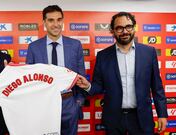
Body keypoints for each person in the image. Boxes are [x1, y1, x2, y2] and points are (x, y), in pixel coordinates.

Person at [76, 12, 168, 135]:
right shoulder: (103, 56)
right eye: (119, 28)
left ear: (134, 27)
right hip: (114, 118)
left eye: (128, 26)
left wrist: (162, 114)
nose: (124, 31)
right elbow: (98, 86)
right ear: (113, 31)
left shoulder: (149, 53)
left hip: (141, 118)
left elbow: (157, 88)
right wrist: (88, 86)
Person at [26, 5, 86, 135]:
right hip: (43, 104)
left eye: (59, 20)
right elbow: (28, 80)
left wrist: (78, 103)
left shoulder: (75, 45)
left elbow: (82, 76)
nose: (56, 24)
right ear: (44, 22)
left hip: (69, 103)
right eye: (51, 20)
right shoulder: (33, 47)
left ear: (63, 21)